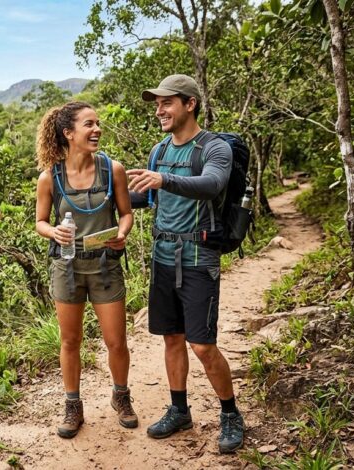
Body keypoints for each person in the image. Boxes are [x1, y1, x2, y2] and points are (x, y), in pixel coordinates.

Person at [127, 74, 245, 453]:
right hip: (163, 258)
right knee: (172, 338)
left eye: (167, 103)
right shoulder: (159, 151)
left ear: (189, 104)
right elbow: (147, 197)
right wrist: (99, 203)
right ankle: (180, 409)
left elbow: (211, 185)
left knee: (202, 345)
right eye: (157, 104)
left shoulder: (213, 149)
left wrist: (162, 180)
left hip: (199, 259)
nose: (159, 110)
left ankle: (230, 414)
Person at [35, 101, 137, 439]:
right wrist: (54, 231)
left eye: (98, 124)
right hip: (66, 266)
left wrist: (122, 233)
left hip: (105, 264)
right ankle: (72, 407)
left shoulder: (113, 169)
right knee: (70, 340)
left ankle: (121, 397)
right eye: (88, 124)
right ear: (68, 133)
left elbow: (126, 214)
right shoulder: (50, 177)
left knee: (115, 340)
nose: (97, 130)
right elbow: (40, 222)